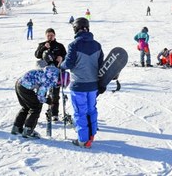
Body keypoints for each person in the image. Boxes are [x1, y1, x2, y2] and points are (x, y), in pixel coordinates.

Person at [60, 17, 103, 148]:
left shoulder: (74, 45)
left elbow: (68, 63)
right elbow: (101, 64)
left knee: (80, 112)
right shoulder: (97, 45)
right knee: (91, 110)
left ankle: (83, 140)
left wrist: (60, 65)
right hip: (93, 85)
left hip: (79, 85)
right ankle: (91, 135)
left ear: (75, 29)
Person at [11, 66, 60, 138]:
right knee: (36, 107)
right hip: (25, 87)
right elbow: (40, 96)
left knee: (26, 107)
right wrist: (47, 100)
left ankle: (17, 127)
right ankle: (28, 130)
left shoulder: (48, 73)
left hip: (19, 84)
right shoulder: (50, 80)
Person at [34, 28, 67, 121]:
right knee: (41, 93)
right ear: (45, 36)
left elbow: (66, 56)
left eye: (51, 35)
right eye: (48, 35)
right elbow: (37, 55)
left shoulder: (60, 46)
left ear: (54, 35)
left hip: (56, 73)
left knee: (55, 94)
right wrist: (44, 47)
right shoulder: (42, 45)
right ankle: (35, 114)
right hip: (44, 74)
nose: (50, 37)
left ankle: (54, 114)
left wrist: (62, 57)